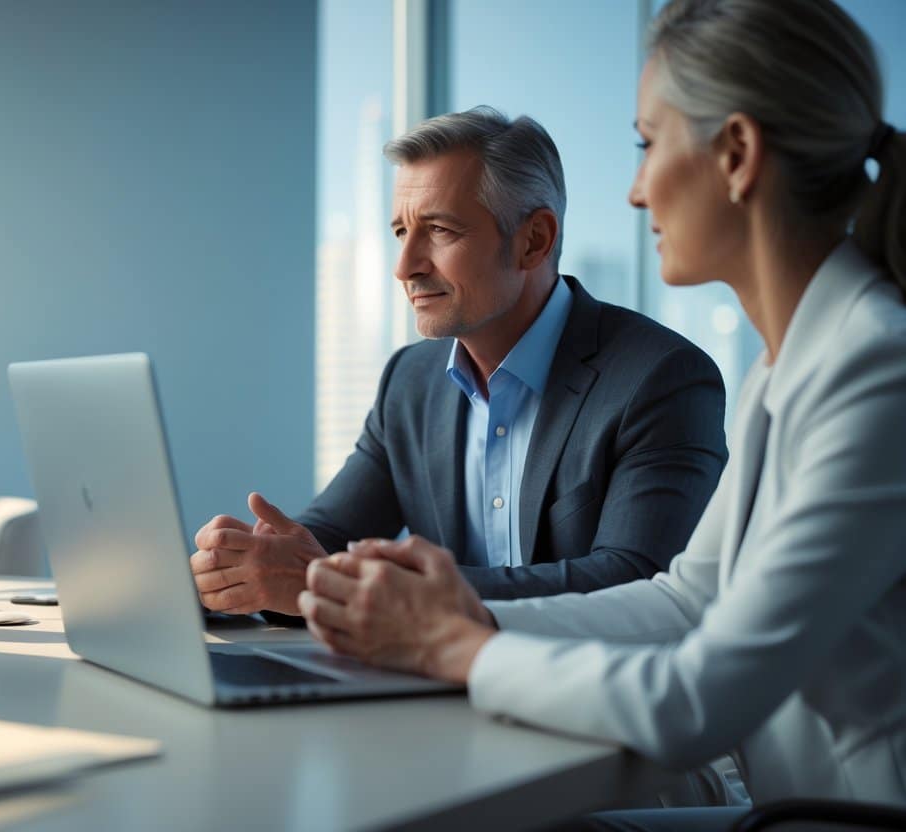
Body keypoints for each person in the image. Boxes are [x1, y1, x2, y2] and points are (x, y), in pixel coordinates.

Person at [301, 0, 906, 827]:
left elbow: (699, 699)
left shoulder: (875, 369)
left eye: (647, 145)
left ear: (735, 154)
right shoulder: (792, 363)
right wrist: (465, 616)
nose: (631, 190)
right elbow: (685, 601)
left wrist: (455, 648)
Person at [192, 109, 727, 618]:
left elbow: (636, 584)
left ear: (533, 241)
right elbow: (321, 540)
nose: (405, 266)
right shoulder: (410, 382)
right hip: (432, 694)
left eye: (440, 230)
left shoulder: (661, 378)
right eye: (401, 231)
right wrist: (236, 572)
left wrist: (339, 583)